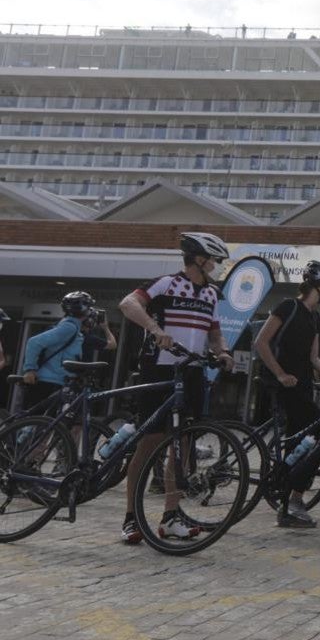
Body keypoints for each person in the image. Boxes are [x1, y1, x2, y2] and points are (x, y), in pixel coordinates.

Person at [117, 232, 235, 544]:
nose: (218, 265)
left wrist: (223, 352)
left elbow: (215, 333)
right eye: (215, 260)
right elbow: (128, 304)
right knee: (150, 441)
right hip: (160, 369)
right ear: (199, 258)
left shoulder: (211, 294)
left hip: (193, 372)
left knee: (182, 443)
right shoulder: (166, 283)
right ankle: (130, 516)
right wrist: (155, 329)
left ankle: (171, 516)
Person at [253, 260, 320, 529]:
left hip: (303, 387)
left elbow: (314, 359)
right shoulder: (289, 307)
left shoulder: (315, 318)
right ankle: (292, 502)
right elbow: (261, 342)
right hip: (282, 385)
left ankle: (291, 500)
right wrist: (281, 373)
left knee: (303, 443)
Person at [20, 292, 108, 414]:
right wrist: (30, 369)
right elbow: (34, 342)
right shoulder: (69, 327)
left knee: (45, 424)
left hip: (57, 380)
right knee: (36, 423)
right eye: (89, 308)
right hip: (49, 382)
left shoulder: (72, 326)